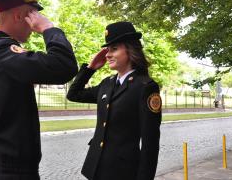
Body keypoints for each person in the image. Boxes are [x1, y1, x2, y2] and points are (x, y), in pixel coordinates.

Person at [0, 0, 77, 180]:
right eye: (33, 16)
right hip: (9, 172)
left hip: (2, 169)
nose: (34, 25)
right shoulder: (2, 51)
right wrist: (49, 28)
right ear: (20, 16)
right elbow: (65, 66)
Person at [67, 21, 162, 180]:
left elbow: (150, 143)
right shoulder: (107, 83)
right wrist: (90, 69)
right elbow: (73, 94)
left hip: (123, 172)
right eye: (107, 50)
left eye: (114, 49)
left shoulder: (145, 87)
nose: (108, 54)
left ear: (131, 50)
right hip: (96, 169)